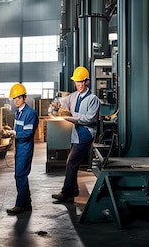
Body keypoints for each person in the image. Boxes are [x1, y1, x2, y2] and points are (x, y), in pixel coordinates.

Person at [50, 66, 100, 203]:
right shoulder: (74, 96)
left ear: (87, 82)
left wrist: (71, 117)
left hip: (86, 133)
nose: (79, 85)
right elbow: (61, 102)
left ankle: (67, 193)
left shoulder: (93, 99)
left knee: (71, 162)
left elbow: (90, 118)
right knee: (74, 163)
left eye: (82, 82)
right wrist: (55, 104)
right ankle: (74, 190)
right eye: (77, 82)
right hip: (76, 132)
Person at [3, 83, 39, 215]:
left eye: (18, 98)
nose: (16, 100)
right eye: (14, 98)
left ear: (25, 97)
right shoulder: (18, 112)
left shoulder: (30, 113)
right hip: (19, 148)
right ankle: (27, 203)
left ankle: (19, 205)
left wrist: (13, 133)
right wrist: (11, 131)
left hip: (25, 148)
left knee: (20, 175)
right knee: (21, 175)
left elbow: (28, 133)